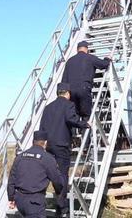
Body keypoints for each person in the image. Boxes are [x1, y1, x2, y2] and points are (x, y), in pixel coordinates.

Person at [40, 83, 90, 217]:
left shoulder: (48, 108)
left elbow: (42, 127)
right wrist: (85, 124)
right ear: (67, 93)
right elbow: (70, 119)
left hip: (48, 145)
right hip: (62, 145)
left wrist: (43, 144)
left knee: (51, 174)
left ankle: (56, 203)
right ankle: (62, 206)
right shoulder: (69, 105)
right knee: (62, 174)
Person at [7, 130, 65, 218]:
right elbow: (57, 180)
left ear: (33, 142)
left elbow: (12, 179)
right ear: (45, 143)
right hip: (35, 203)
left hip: (20, 201)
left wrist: (11, 197)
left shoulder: (20, 156)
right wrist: (59, 191)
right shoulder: (47, 159)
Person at [61, 40, 111, 119]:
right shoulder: (90, 57)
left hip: (71, 92)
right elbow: (103, 64)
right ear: (86, 49)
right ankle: (85, 129)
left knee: (74, 116)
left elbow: (64, 79)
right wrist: (107, 59)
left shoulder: (69, 61)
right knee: (86, 115)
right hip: (84, 89)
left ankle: (75, 129)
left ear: (77, 49)